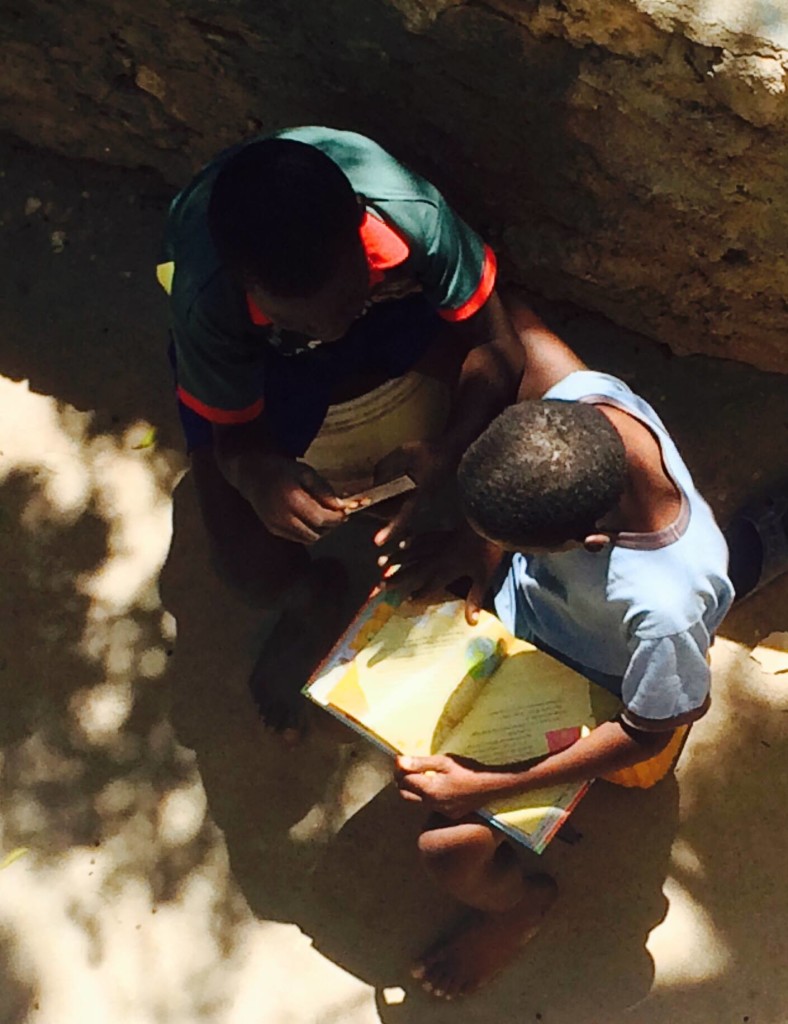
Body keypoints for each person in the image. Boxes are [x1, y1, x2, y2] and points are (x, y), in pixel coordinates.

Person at [384, 301, 734, 998]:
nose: (499, 550)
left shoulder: (663, 604)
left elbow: (645, 730)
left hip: (608, 695)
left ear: (590, 541)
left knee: (449, 852)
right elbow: (503, 313)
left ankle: (520, 910)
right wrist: (468, 547)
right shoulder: (575, 405)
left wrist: (489, 788)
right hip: (534, 632)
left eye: (512, 544)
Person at [156, 127, 523, 736]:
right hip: (269, 360)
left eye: (343, 297)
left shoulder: (410, 219)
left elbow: (497, 342)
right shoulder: (206, 296)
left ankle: (489, 540)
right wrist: (257, 477)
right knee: (250, 570)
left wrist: (446, 453)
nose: (330, 330)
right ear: (249, 287)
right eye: (305, 316)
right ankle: (310, 598)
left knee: (552, 403)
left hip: (393, 313)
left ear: (360, 230)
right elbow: (232, 438)